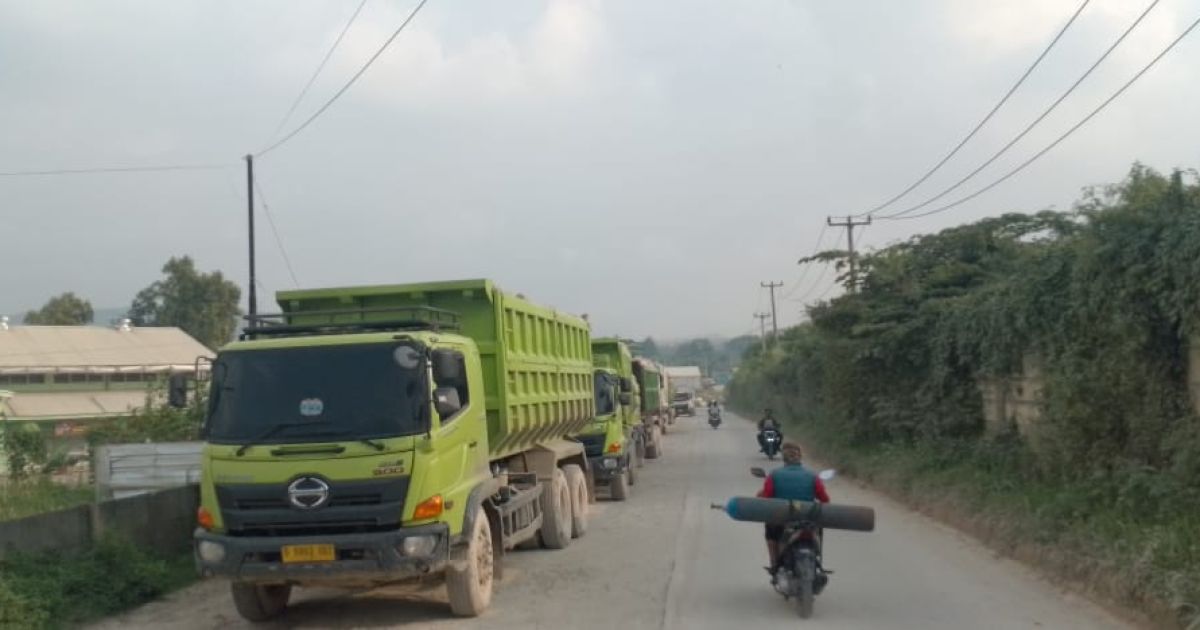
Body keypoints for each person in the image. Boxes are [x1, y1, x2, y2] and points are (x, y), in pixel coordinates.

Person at [756, 440, 830, 573]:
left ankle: (774, 563)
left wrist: (760, 495)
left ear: (784, 458)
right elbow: (824, 499)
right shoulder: (813, 476)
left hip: (782, 518)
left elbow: (766, 498)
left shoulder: (774, 475)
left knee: (770, 532)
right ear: (800, 457)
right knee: (818, 529)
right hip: (808, 518)